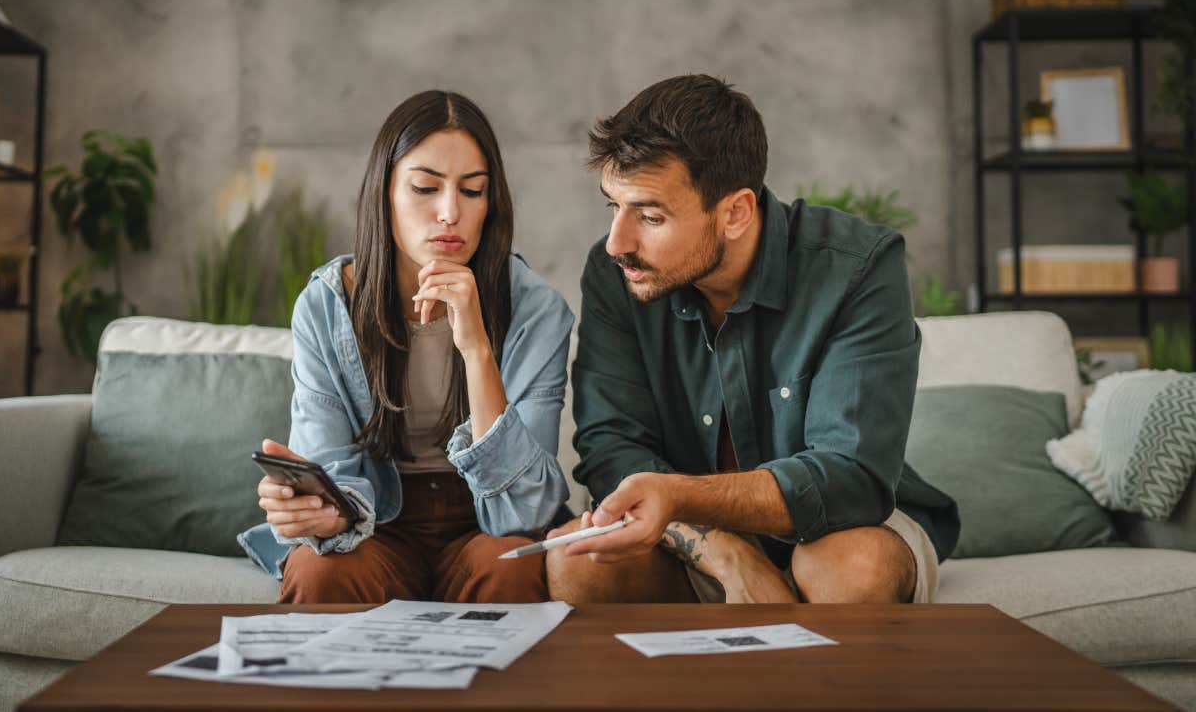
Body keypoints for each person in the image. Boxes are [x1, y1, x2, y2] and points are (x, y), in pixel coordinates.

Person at [546, 74, 959, 604]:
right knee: (576, 562)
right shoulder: (617, 276)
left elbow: (850, 476)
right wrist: (721, 550)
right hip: (691, 537)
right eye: (614, 207)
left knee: (849, 567)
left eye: (650, 216)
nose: (617, 242)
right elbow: (610, 449)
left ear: (736, 212)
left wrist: (679, 497)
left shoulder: (856, 267)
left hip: (843, 526)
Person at [238, 90, 573, 604]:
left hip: (483, 518)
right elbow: (331, 466)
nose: (449, 213)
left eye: (473, 191)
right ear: (385, 194)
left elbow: (524, 512)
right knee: (320, 574)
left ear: (491, 203)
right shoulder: (328, 307)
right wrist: (322, 511)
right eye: (424, 188)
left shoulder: (535, 309)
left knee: (508, 567)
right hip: (378, 518)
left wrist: (477, 347)